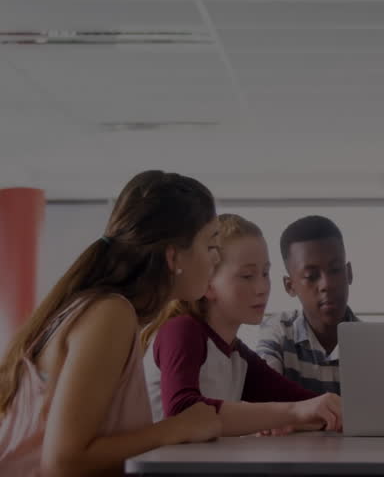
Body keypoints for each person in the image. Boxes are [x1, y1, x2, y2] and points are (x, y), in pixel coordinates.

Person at [0, 170, 223, 476]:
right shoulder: (110, 314)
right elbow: (65, 462)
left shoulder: (107, 311)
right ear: (173, 257)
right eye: (210, 245)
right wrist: (177, 429)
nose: (215, 259)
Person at [143, 214, 342, 437]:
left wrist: (332, 409)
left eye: (265, 273)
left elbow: (306, 403)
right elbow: (182, 411)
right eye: (247, 276)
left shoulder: (237, 356)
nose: (262, 288)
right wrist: (295, 412)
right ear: (207, 284)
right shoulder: (181, 331)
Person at [257, 216, 358, 395]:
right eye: (311, 276)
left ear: (348, 273)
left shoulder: (371, 344)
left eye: (335, 270)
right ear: (290, 286)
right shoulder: (278, 332)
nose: (326, 284)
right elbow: (264, 398)